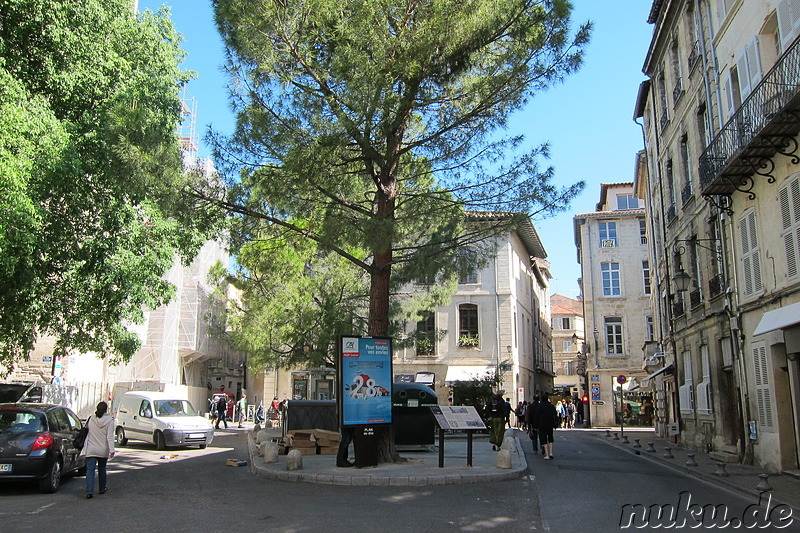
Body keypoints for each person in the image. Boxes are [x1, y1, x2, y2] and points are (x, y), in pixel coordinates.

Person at [81, 401, 115, 499]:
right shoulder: (110, 421)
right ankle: (102, 488)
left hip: (91, 448)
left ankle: (89, 492)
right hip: (103, 449)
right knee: (102, 469)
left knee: (90, 470)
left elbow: (86, 431)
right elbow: (110, 437)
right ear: (106, 410)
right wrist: (111, 449)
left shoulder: (91, 419)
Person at [536, 393, 558, 459]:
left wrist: (536, 425)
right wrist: (556, 423)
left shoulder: (540, 406)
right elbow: (555, 415)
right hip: (550, 423)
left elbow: (537, 416)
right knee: (550, 437)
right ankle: (551, 453)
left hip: (542, 424)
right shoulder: (551, 406)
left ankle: (547, 454)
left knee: (544, 439)